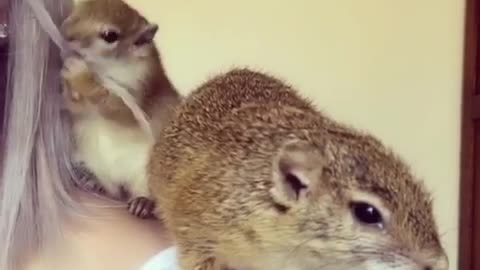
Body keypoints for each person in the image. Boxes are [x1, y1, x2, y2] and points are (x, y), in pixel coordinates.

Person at [0, 1, 177, 269]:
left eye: (107, 36)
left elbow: (127, 115)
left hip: (140, 168)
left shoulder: (140, 74)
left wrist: (91, 90)